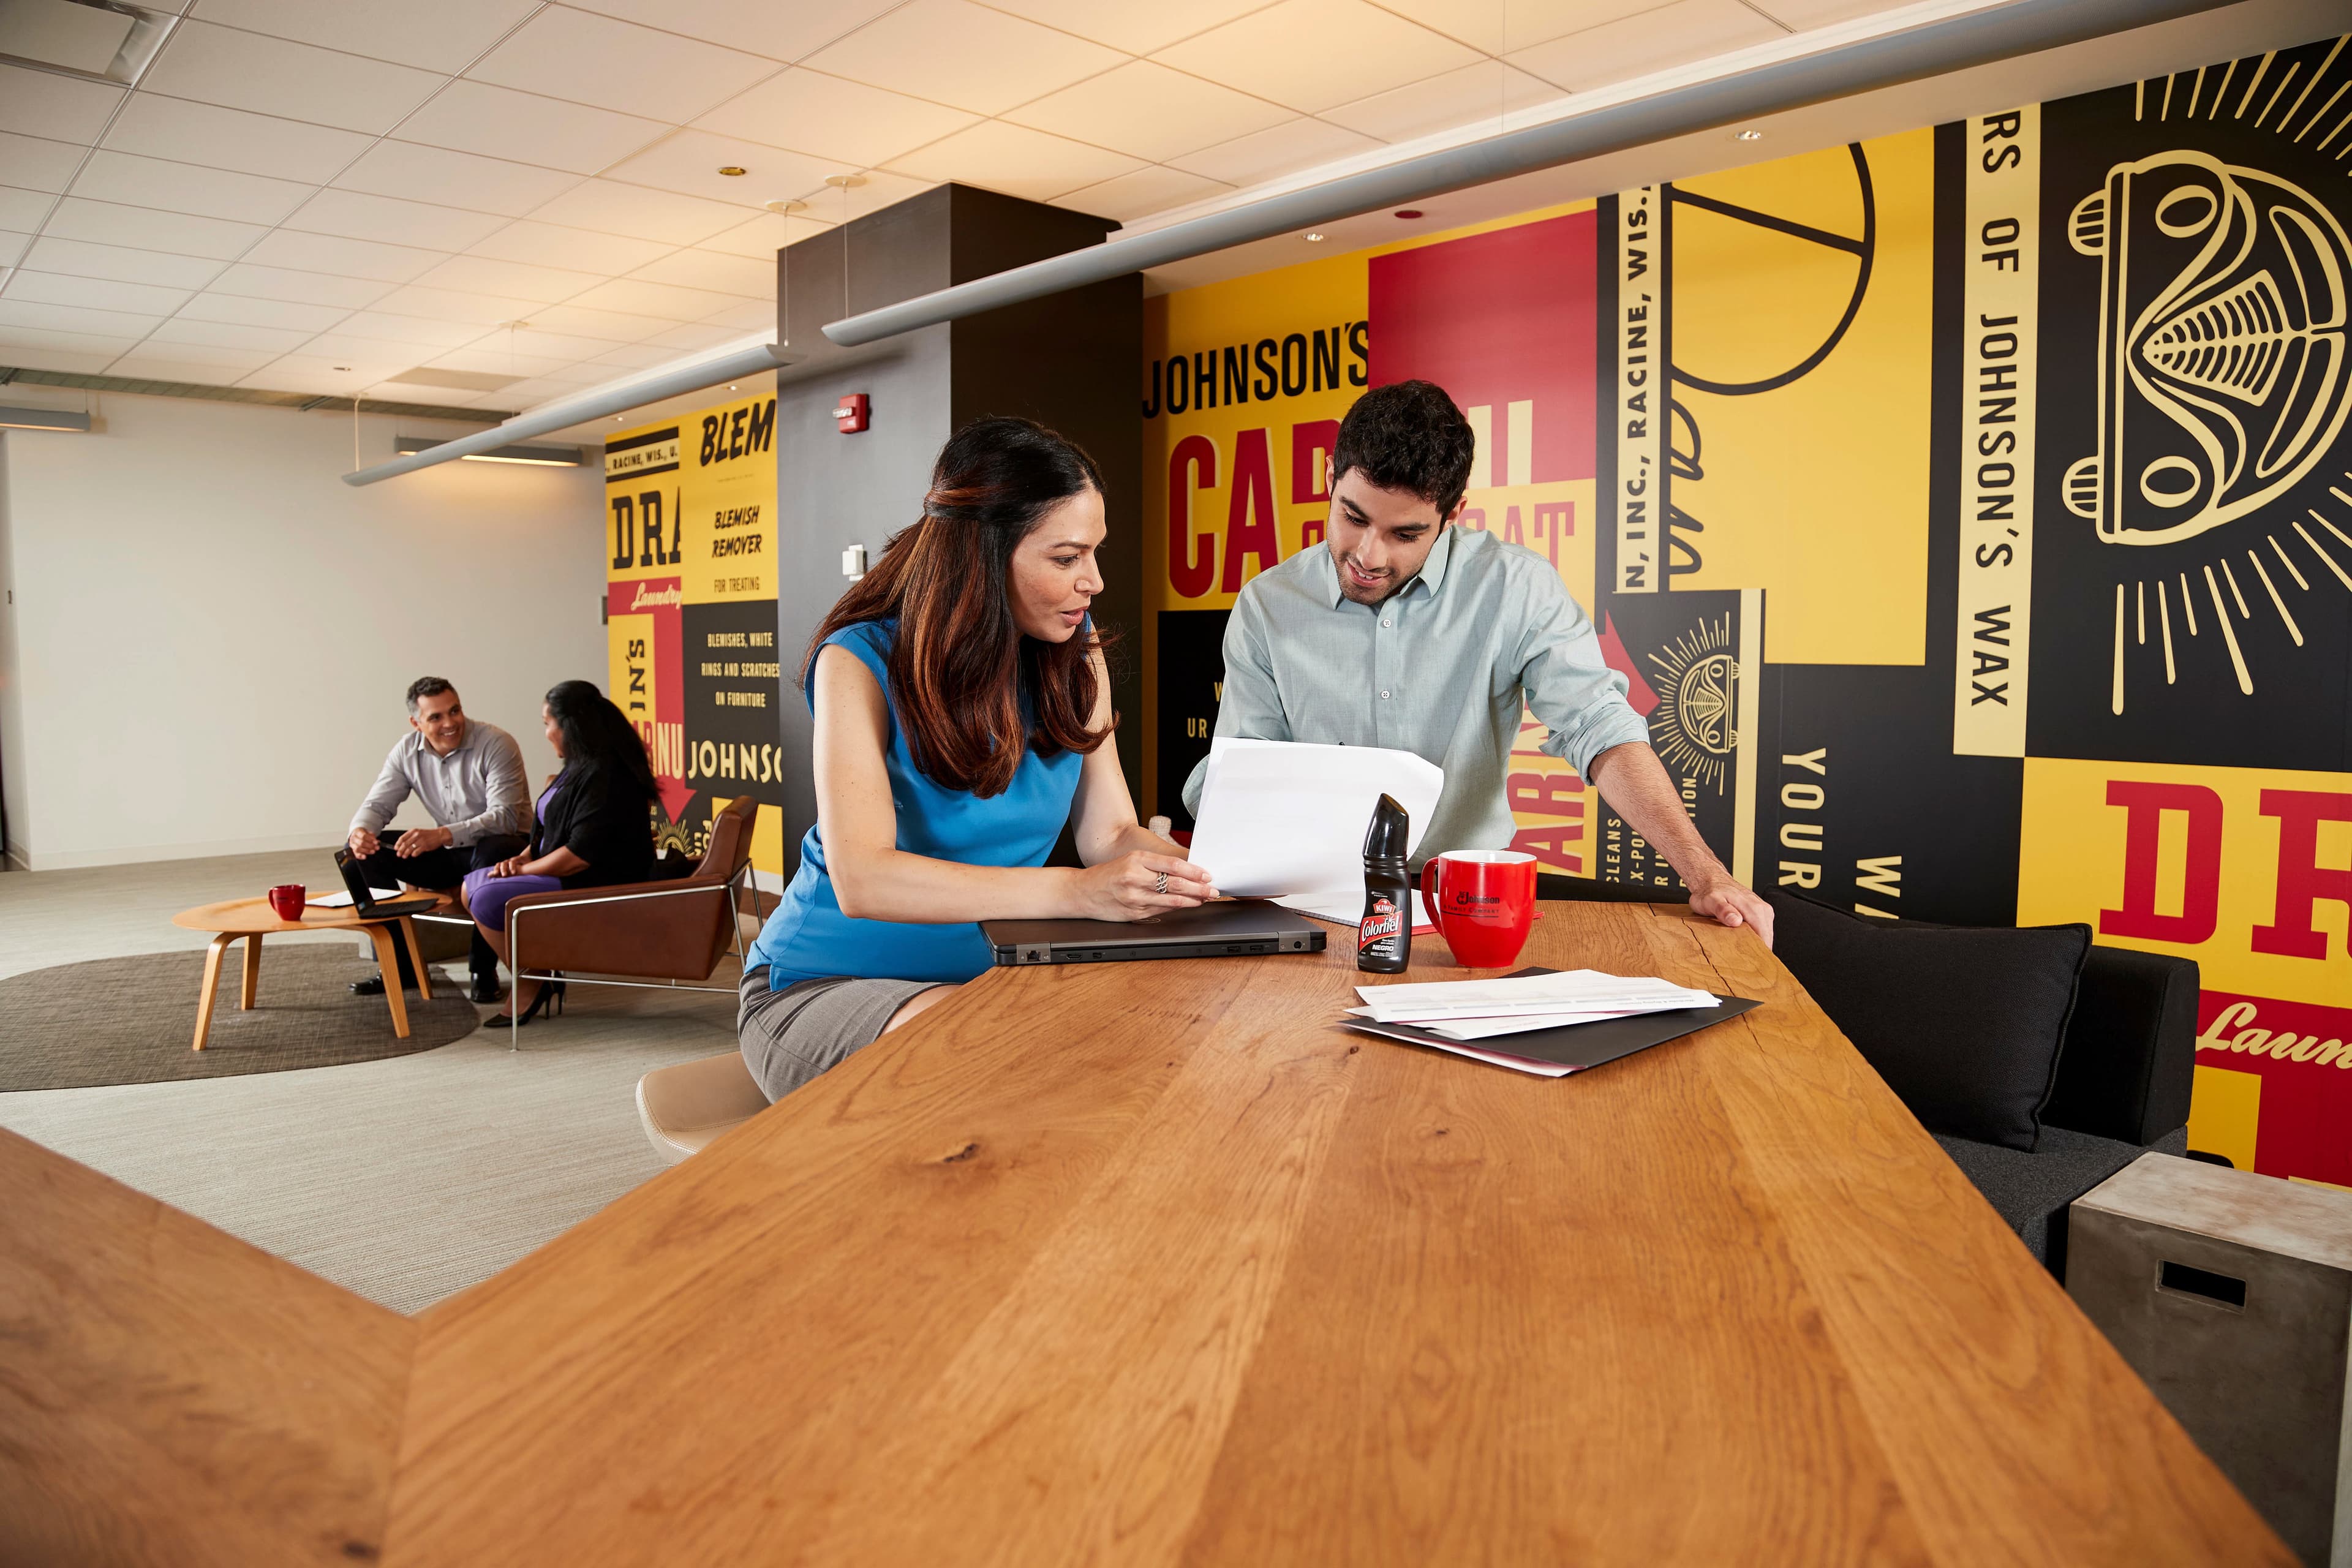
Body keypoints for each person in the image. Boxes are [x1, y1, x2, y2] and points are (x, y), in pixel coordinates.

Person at [1181, 379, 1774, 945]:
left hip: (1467, 911)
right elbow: (1246, 780)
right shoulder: (1267, 606)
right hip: (1316, 909)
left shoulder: (1515, 588)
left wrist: (1706, 874)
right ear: (1329, 476)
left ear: (1453, 511)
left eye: (1405, 534)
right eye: (1353, 516)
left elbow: (1600, 728)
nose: (1367, 554)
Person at [739, 417, 1214, 1101]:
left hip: (984, 981)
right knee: (1000, 1068)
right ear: (984, 553)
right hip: (822, 984)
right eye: (1066, 558)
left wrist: (1191, 873)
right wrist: (1076, 892)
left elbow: (1108, 834)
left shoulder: (1078, 656)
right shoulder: (857, 659)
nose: (1095, 581)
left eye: (1094, 553)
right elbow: (863, 878)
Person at [464, 680, 660, 1027]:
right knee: (470, 888)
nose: (546, 732)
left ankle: (530, 979)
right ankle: (537, 970)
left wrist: (524, 872)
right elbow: (549, 828)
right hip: (569, 871)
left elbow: (578, 856)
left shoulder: (606, 774)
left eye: (547, 723)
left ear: (569, 725)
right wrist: (524, 857)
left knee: (485, 899)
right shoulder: (579, 764)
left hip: (599, 881)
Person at [347, 677, 530, 1003]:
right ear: (416, 723)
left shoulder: (496, 743)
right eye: (436, 717)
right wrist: (360, 832)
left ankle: (482, 969)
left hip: (508, 850)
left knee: (493, 847)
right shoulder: (406, 751)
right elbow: (378, 805)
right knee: (361, 853)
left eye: (455, 711)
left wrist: (443, 834)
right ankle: (402, 969)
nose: (450, 723)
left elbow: (505, 818)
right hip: (451, 853)